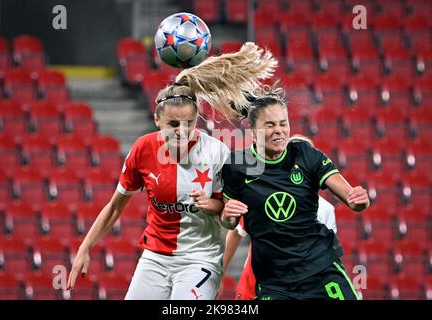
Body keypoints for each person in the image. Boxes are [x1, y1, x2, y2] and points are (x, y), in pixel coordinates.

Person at [65, 42, 278, 300]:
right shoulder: (143, 149)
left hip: (201, 258)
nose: (181, 130)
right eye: (173, 124)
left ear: (198, 117)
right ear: (157, 120)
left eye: (188, 123)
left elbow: (227, 217)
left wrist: (211, 205)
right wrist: (85, 247)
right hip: (155, 258)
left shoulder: (216, 152)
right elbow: (114, 207)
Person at [219, 83, 370, 300]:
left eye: (283, 123)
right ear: (253, 131)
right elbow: (230, 223)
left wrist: (359, 200)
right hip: (273, 279)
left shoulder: (305, 154)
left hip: (320, 269)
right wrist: (227, 215)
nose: (279, 130)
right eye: (270, 125)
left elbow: (351, 199)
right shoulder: (236, 165)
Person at [222, 135, 338, 300]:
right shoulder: (258, 199)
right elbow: (235, 233)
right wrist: (220, 272)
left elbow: (327, 253)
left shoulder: (326, 209)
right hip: (257, 278)